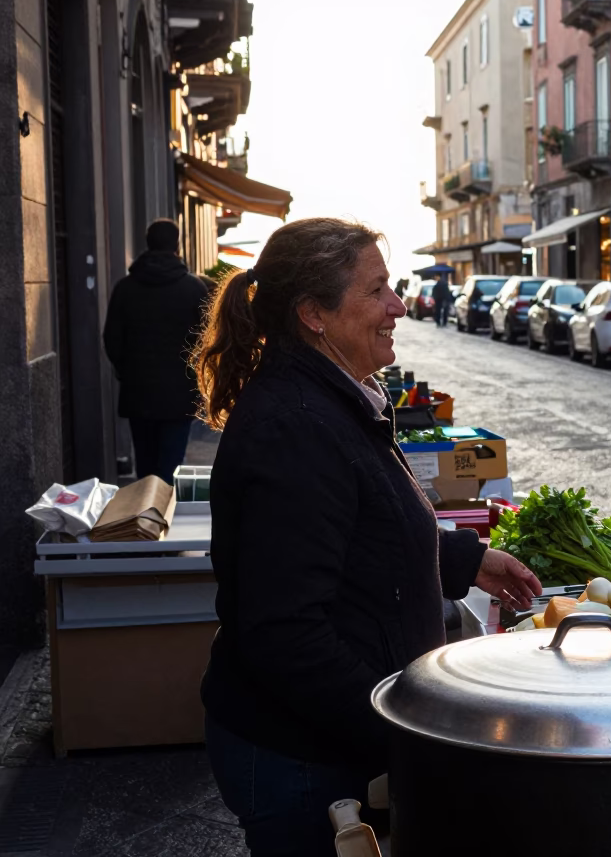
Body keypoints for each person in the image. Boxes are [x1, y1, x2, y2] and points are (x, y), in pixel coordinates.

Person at [193, 218, 542, 856]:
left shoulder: (334, 396)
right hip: (298, 756)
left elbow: (364, 526)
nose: (397, 306)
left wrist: (469, 557)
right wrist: (402, 730)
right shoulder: (295, 427)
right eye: (376, 290)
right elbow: (285, 632)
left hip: (325, 739)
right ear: (314, 314)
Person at [103, 218, 209, 484]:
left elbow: (111, 338)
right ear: (177, 245)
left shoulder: (125, 288)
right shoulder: (193, 288)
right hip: (179, 394)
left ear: (147, 243)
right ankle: (162, 519)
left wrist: (127, 371)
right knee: (170, 469)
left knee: (145, 468)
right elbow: (207, 339)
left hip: (139, 393)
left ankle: (145, 519)